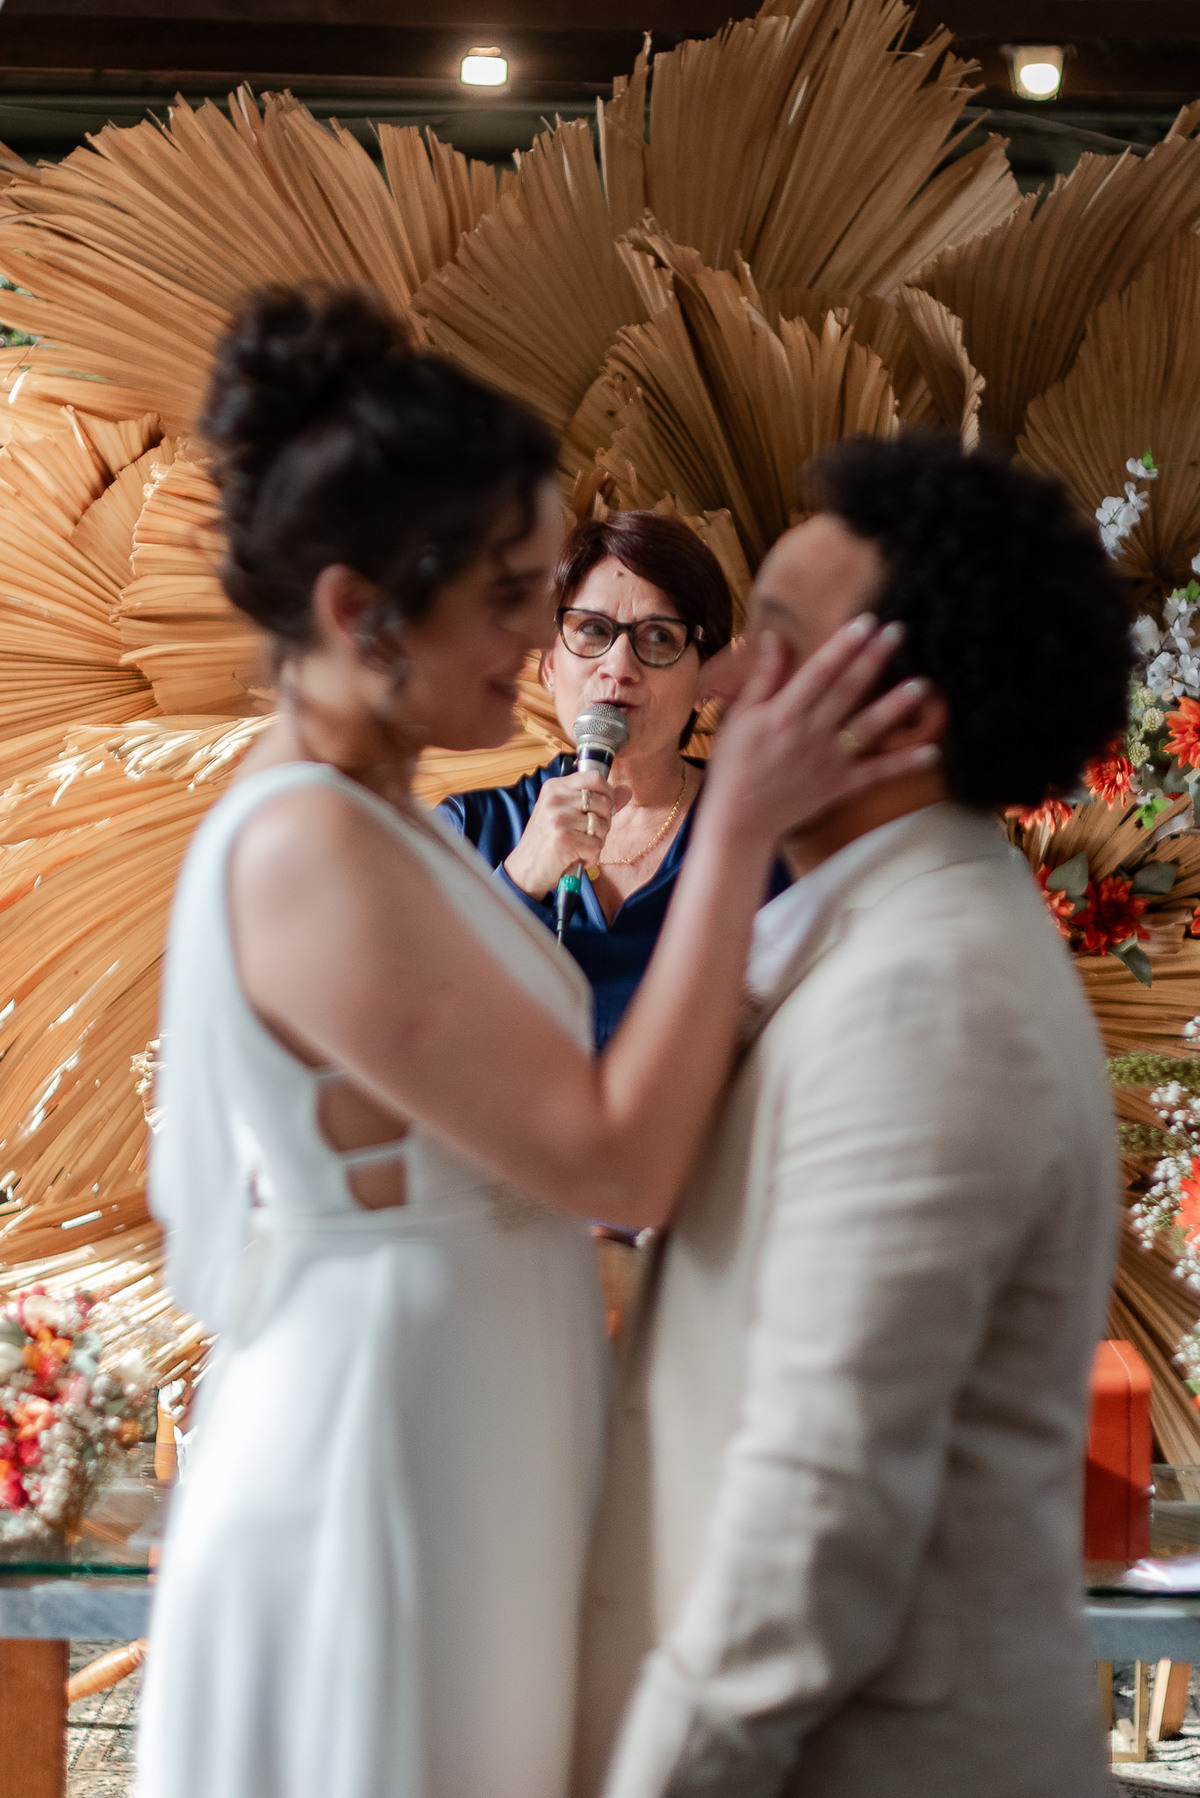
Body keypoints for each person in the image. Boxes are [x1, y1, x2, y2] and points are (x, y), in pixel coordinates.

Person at [136, 289, 932, 1798]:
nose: (547, 644)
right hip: (381, 1445)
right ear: (360, 610)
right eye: (517, 598)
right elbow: (615, 1157)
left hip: (474, 1413)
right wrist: (744, 821)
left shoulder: (374, 817)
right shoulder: (311, 847)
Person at [573, 434, 1132, 1798]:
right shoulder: (862, 934)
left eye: (774, 644)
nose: (721, 683)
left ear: (902, 715)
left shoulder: (930, 994)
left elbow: (817, 1514)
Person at [440, 513, 789, 1047]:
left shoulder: (766, 842)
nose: (619, 665)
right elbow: (411, 1029)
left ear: (707, 680)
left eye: (659, 637)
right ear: (548, 663)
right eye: (593, 630)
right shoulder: (463, 831)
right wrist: (519, 881)